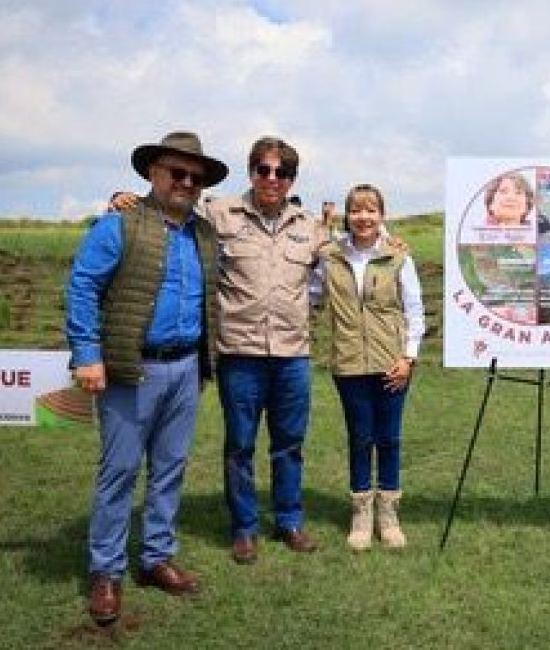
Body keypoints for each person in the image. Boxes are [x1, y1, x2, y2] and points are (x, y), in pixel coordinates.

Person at [110, 136, 328, 564]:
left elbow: (352, 253)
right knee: (240, 444)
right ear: (252, 172)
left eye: (281, 173)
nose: (272, 179)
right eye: (263, 170)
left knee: (290, 444)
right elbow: (166, 209)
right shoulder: (217, 213)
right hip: (239, 353)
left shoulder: (311, 226)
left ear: (292, 180)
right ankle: (244, 528)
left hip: (292, 355)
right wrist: (127, 201)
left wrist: (391, 243)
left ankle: (289, 520)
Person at [68, 131, 228, 625]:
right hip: (129, 368)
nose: (185, 182)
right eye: (176, 172)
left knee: (170, 468)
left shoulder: (204, 233)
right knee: (119, 471)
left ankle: (156, 557)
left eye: (194, 177)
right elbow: (83, 288)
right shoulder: (118, 225)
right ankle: (107, 571)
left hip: (184, 368)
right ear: (151, 174)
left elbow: (207, 301)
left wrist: (202, 364)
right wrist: (88, 355)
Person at [322, 184, 425, 550]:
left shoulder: (398, 257)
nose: (363, 217)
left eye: (371, 210)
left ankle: (388, 513)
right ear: (346, 215)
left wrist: (407, 357)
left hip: (391, 363)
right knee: (360, 438)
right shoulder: (330, 256)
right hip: (348, 364)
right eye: (356, 210)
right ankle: (361, 513)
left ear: (381, 216)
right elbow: (310, 293)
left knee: (390, 439)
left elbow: (414, 311)